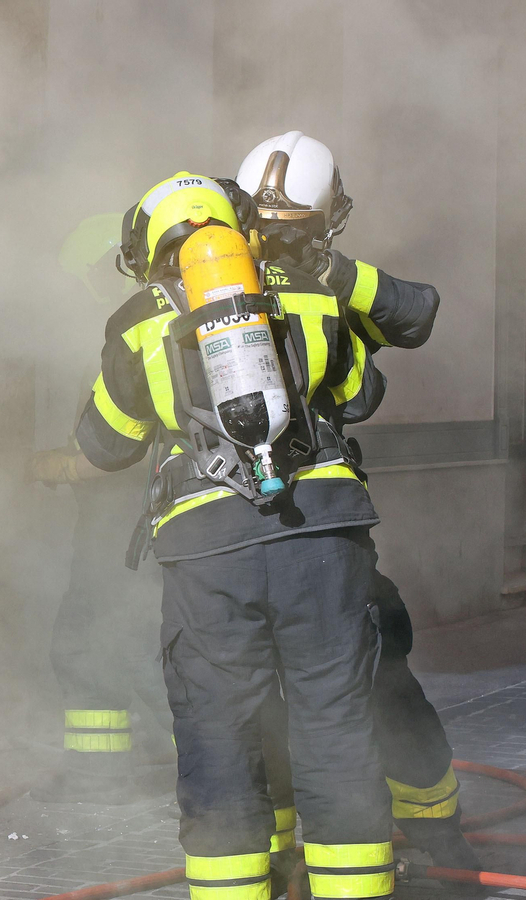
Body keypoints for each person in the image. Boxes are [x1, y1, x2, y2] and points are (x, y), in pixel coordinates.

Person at [74, 172, 400, 900]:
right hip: (322, 536)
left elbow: (105, 443)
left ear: (148, 243)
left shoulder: (136, 321)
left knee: (219, 735)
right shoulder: (306, 292)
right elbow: (363, 395)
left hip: (207, 550)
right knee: (335, 722)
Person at [236, 131, 479, 871]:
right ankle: (437, 843)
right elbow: (401, 335)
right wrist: (332, 273)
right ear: (328, 215)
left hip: (224, 540)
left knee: (252, 700)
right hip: (321, 534)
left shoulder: (201, 290)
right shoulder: (327, 293)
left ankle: (270, 864)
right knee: (377, 673)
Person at [26, 215, 174, 805]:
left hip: (126, 524)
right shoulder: (160, 322)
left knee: (119, 643)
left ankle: (228, 772)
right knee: (100, 640)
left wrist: (51, 468)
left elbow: (115, 452)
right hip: (129, 523)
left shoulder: (134, 331)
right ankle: (99, 776)